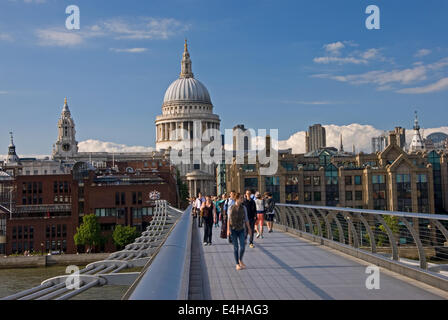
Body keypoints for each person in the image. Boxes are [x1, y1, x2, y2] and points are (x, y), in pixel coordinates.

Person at [227, 193, 252, 270]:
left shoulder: (244, 208)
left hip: (241, 229)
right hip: (233, 229)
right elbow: (228, 220)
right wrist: (228, 230)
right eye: (241, 198)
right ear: (236, 199)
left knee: (243, 247)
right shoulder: (231, 207)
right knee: (236, 247)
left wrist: (249, 229)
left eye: (242, 198)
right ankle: (237, 264)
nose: (242, 199)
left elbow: (246, 219)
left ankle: (240, 259)